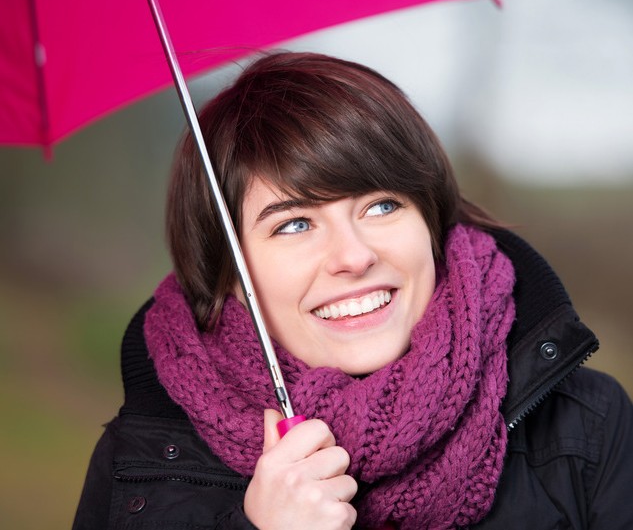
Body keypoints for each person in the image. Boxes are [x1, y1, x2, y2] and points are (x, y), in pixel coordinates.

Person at [73, 52, 633, 530]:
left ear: (431, 222)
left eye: (382, 205)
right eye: (294, 224)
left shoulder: (587, 426)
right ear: (226, 276)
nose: (354, 256)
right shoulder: (140, 467)